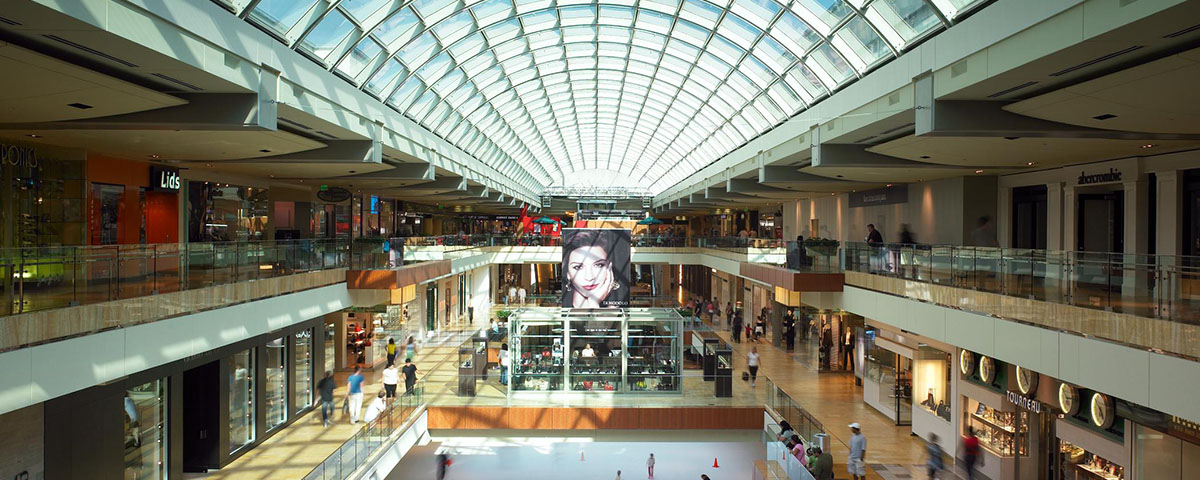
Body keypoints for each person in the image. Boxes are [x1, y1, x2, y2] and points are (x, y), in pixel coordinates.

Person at [562, 229, 627, 307]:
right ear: (568, 273)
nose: (589, 277)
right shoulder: (561, 308)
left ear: (609, 267)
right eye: (578, 267)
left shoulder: (618, 309)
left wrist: (593, 302)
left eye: (599, 265)